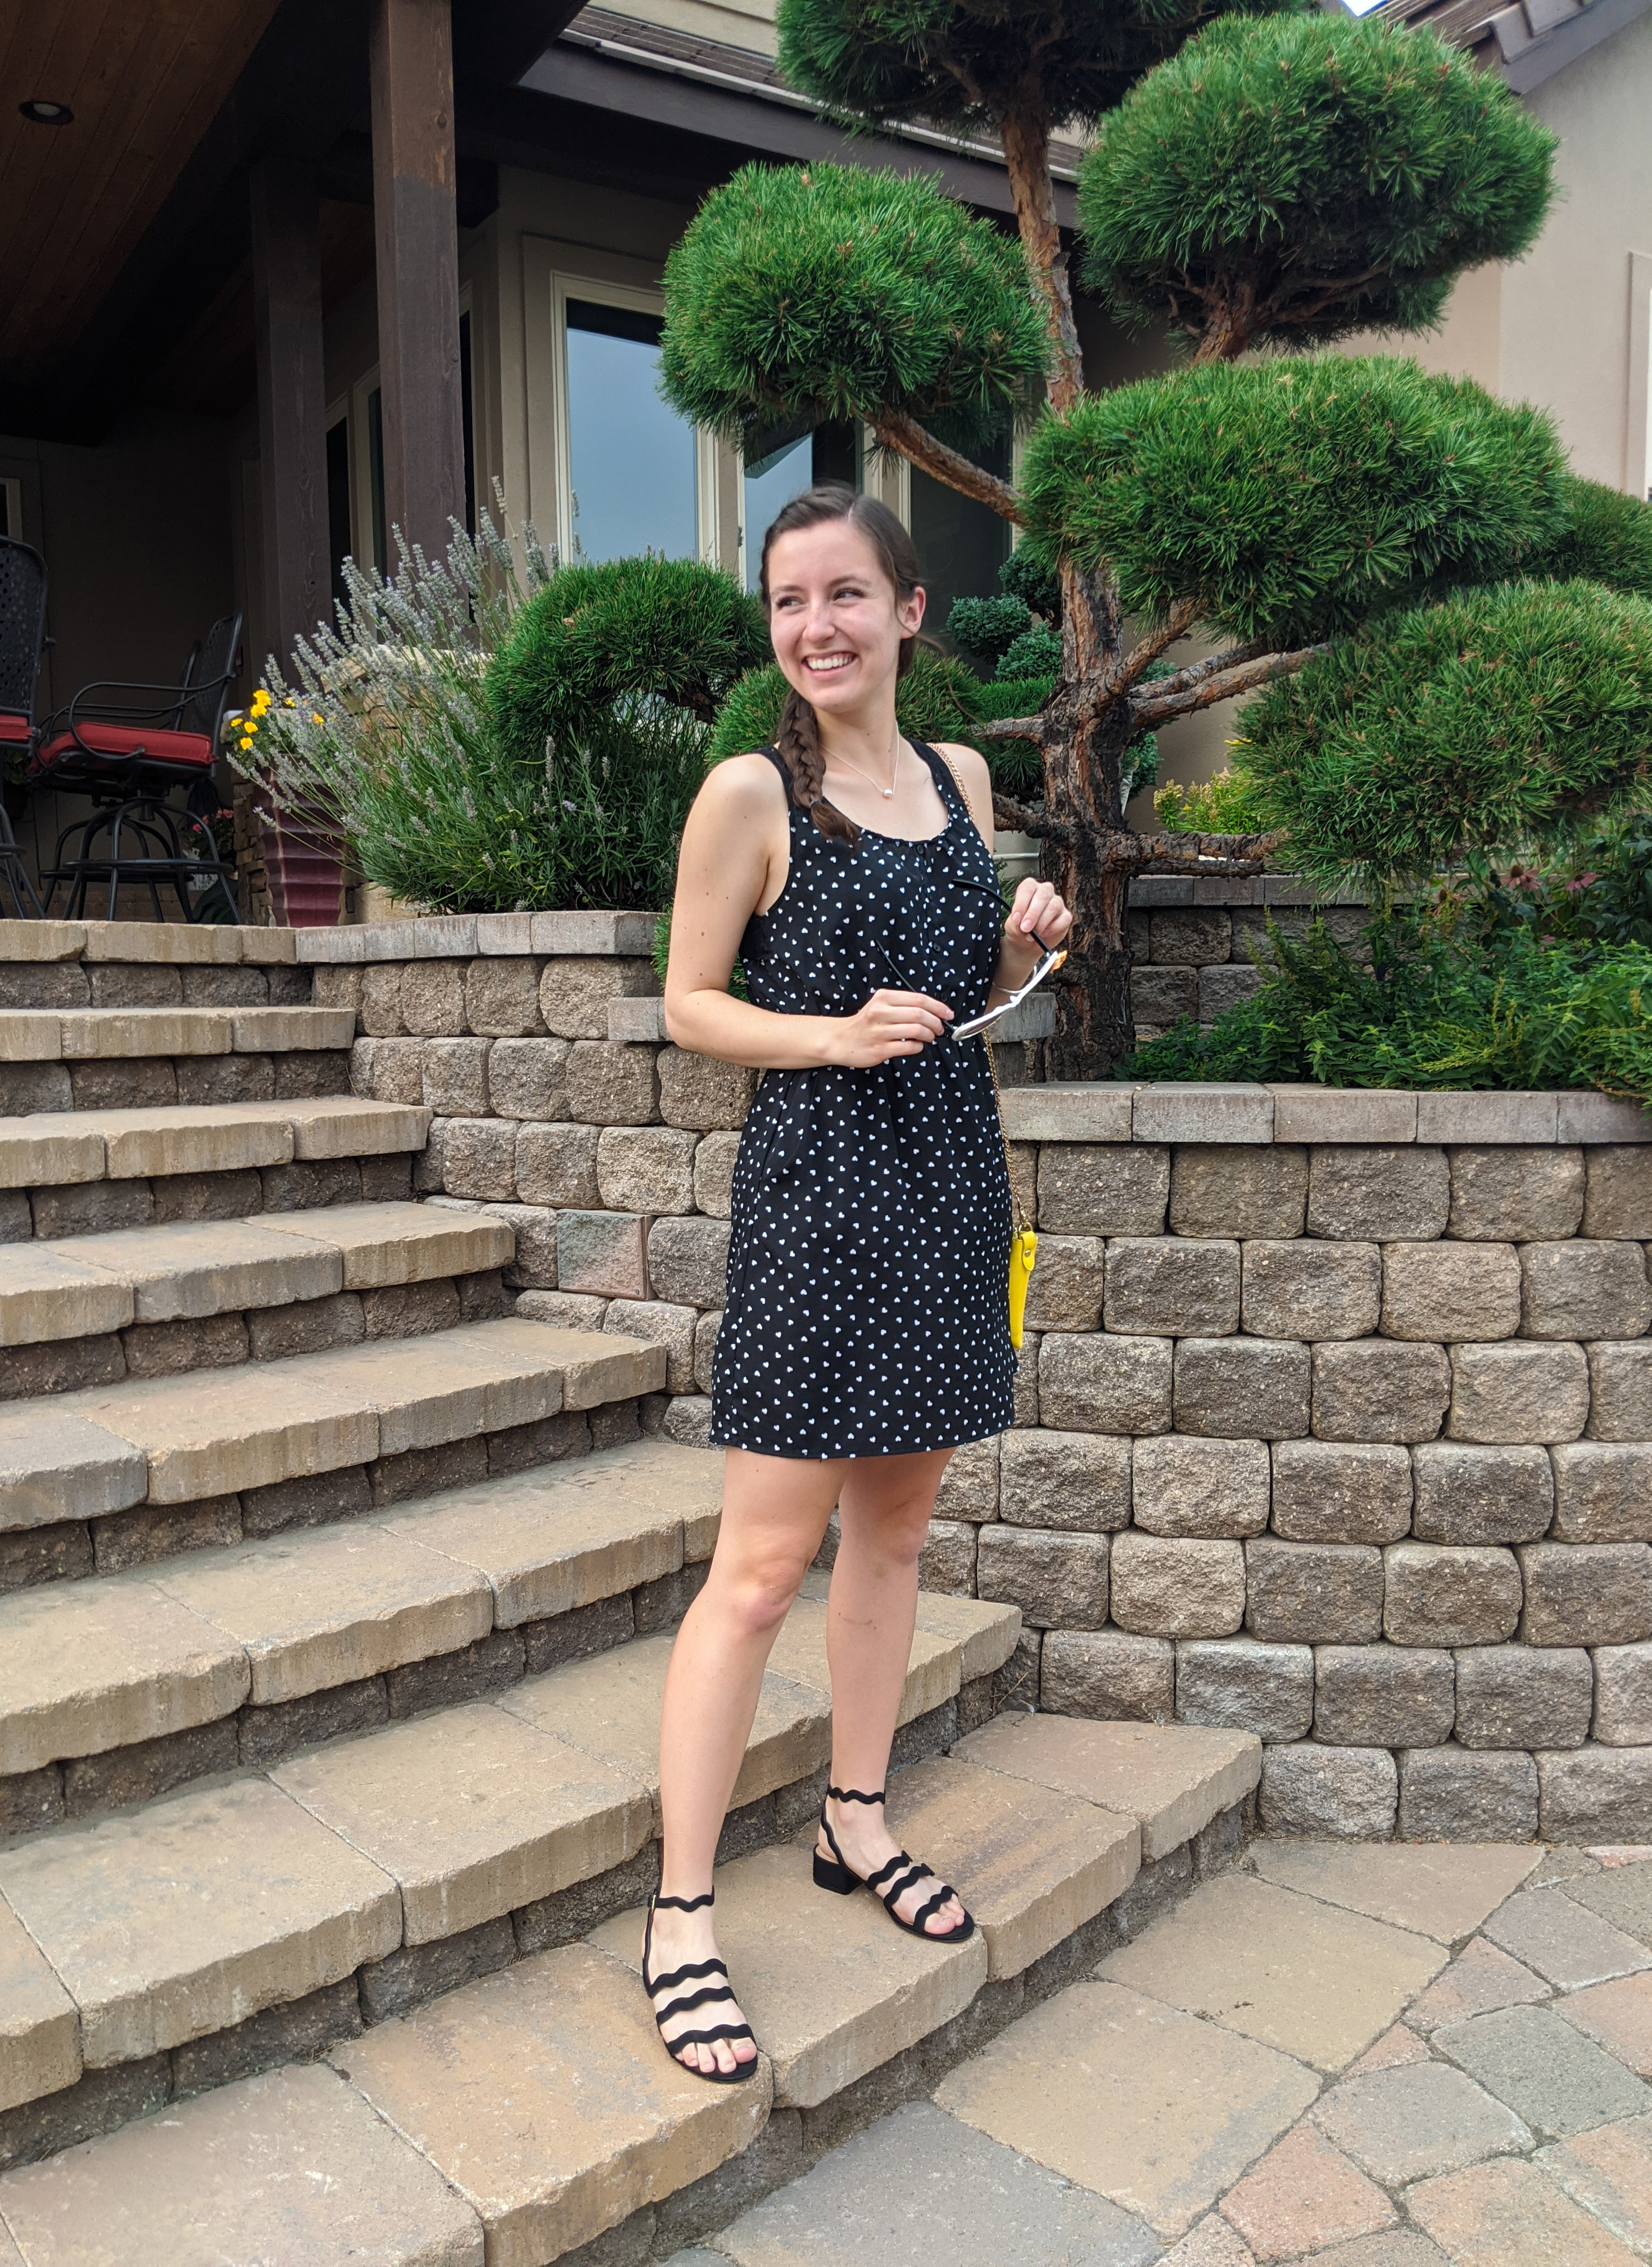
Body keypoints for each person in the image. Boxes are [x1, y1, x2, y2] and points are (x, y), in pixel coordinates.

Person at [644, 484, 1073, 2081]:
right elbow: (689, 1003)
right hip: (820, 1204)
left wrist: (1034, 931)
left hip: (955, 1185)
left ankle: (853, 1820)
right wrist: (824, 1034)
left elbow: (971, 982)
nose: (811, 626)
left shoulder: (961, 780)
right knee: (759, 1573)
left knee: (897, 1537)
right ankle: (679, 1914)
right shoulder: (751, 794)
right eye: (784, 601)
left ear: (908, 611)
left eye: (842, 595)